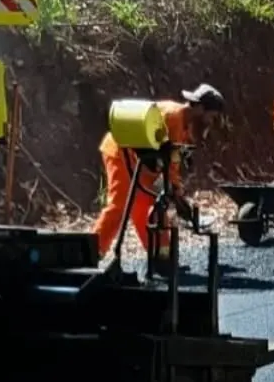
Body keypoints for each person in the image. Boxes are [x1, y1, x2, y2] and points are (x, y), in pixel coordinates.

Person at [92, 83, 225, 258]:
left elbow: (169, 160)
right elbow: (169, 163)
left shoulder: (184, 123)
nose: (211, 123)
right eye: (212, 117)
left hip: (142, 160)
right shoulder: (172, 117)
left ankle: (161, 255)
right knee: (120, 204)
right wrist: (175, 191)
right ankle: (92, 251)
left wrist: (174, 190)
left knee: (152, 203)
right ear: (200, 108)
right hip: (121, 151)